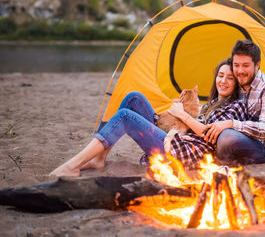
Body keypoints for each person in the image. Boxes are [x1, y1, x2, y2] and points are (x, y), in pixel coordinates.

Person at [50, 59, 247, 177]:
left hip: (181, 152)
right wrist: (180, 111)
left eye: (230, 78)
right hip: (176, 139)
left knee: (125, 116)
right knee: (134, 98)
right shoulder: (213, 103)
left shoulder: (235, 106)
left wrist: (182, 115)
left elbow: (210, 135)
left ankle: (73, 166)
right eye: (221, 75)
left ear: (237, 83)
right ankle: (100, 158)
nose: (223, 81)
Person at [201, 39, 265, 165]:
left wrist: (231, 123)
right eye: (236, 65)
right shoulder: (238, 82)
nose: (240, 71)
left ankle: (217, 165)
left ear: (257, 64)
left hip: (262, 149)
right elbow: (217, 105)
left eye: (245, 65)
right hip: (236, 139)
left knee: (227, 137)